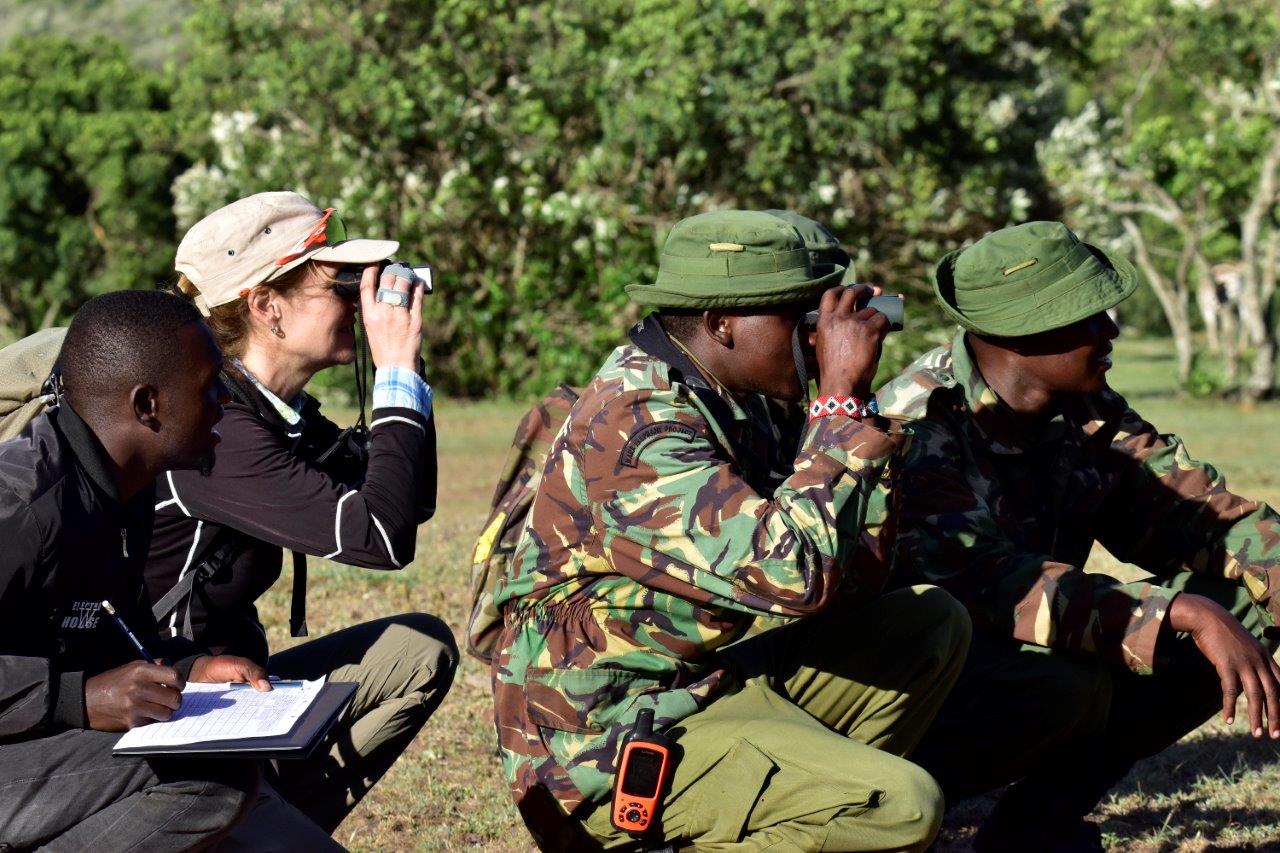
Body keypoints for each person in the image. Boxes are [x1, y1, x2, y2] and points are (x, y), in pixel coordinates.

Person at [491, 210, 971, 851]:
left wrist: (852, 416)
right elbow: (792, 578)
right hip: (602, 746)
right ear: (722, 323)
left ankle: (804, 807)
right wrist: (837, 407)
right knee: (903, 806)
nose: (818, 339)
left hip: (693, 687)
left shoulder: (739, 398)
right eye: (802, 320)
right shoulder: (636, 427)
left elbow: (853, 580)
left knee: (929, 624)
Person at [878, 221, 1280, 851]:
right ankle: (895, 817)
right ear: (1020, 334)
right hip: (914, 687)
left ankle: (1034, 826)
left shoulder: (1083, 405)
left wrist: (1274, 566)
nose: (1110, 331)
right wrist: (1182, 611)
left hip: (1031, 651)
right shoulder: (917, 426)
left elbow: (1192, 509)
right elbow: (994, 584)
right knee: (1067, 685)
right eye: (1086, 317)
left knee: (1245, 605)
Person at [146, 191, 457, 839]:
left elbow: (407, 504)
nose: (358, 301)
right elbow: (380, 539)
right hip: (161, 703)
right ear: (267, 307)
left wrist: (406, 370)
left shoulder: (272, 410)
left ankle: (263, 817)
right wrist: (395, 370)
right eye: (341, 284)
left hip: (236, 691)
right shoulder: (215, 429)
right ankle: (238, 825)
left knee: (418, 650)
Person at [0, 290, 272, 850]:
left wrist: (190, 667)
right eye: (210, 386)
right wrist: (75, 697)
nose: (225, 400)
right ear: (148, 405)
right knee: (207, 780)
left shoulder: (123, 485)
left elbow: (99, 632)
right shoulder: (22, 506)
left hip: (29, 741)